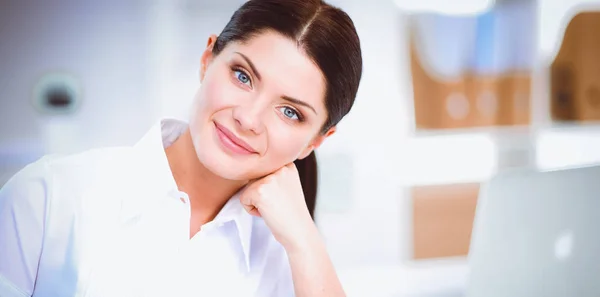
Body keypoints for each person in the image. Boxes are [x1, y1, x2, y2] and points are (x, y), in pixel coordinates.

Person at [0, 0, 362, 296]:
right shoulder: (48, 198)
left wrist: (305, 243)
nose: (249, 119)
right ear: (207, 60)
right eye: (242, 76)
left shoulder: (292, 262)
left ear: (314, 142)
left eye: (289, 112)